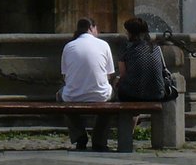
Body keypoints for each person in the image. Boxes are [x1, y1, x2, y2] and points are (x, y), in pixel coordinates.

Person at [59, 17, 114, 151]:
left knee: (60, 96)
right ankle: (99, 139)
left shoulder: (69, 46)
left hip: (73, 96)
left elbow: (65, 75)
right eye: (96, 28)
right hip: (100, 96)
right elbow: (109, 74)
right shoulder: (104, 45)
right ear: (91, 28)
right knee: (111, 100)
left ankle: (79, 135)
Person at [114, 18, 169, 104]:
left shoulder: (126, 48)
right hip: (157, 94)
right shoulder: (155, 47)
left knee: (118, 84)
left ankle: (123, 113)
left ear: (130, 33)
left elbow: (123, 74)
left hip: (132, 96)